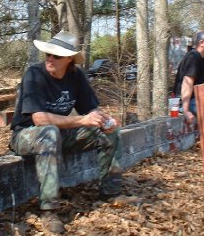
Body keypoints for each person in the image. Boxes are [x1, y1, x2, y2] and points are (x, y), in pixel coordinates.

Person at [10, 31, 123, 234]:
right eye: (48, 54)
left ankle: (111, 191)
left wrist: (103, 120)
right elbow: (39, 119)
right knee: (49, 132)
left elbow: (90, 108)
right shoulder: (34, 74)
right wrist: (82, 120)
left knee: (108, 133)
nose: (50, 59)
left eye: (57, 56)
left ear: (69, 59)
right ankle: (49, 210)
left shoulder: (76, 76)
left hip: (59, 134)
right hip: (26, 135)